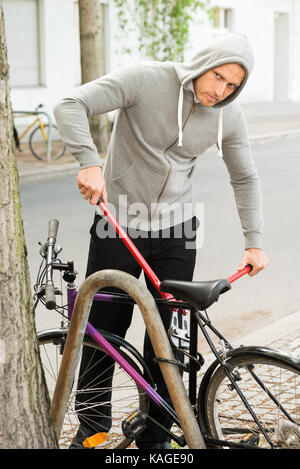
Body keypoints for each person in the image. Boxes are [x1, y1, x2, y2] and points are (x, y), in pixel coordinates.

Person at [54, 33, 269, 449]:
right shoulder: (144, 80)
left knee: (171, 337)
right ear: (203, 63)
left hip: (177, 231)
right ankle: (92, 425)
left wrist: (254, 240)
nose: (219, 90)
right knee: (103, 328)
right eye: (217, 76)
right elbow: (70, 104)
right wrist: (89, 161)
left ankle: (157, 434)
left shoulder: (230, 116)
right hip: (117, 223)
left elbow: (245, 176)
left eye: (232, 86)